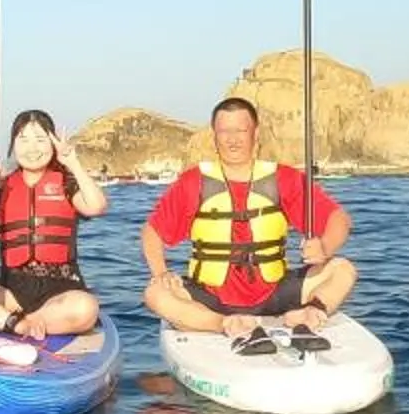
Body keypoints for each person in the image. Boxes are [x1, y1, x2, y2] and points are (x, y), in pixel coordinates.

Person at [141, 96, 356, 350]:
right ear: (214, 136)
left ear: (256, 134)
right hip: (211, 297)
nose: (232, 139)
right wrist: (161, 273)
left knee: (343, 269)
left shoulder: (283, 178)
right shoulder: (193, 182)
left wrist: (325, 246)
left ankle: (310, 312)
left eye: (240, 131)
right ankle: (226, 324)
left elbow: (338, 219)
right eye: (224, 131)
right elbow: (152, 232)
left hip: (275, 293)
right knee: (155, 294)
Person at [0, 109, 109, 335]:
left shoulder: (66, 182)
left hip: (61, 290)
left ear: (53, 144)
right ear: (13, 146)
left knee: (85, 308)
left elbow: (97, 206)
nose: (32, 148)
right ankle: (17, 324)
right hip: (11, 293)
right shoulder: (1, 186)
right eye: (23, 140)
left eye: (40, 139)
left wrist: (73, 163)